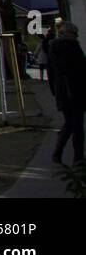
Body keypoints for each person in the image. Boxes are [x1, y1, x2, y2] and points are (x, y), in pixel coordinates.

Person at [49, 23, 86, 166]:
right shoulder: (71, 47)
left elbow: (52, 73)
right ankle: (78, 158)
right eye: (74, 34)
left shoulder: (55, 48)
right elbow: (79, 69)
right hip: (74, 92)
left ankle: (58, 154)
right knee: (76, 125)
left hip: (63, 93)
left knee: (70, 124)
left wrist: (55, 91)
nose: (76, 36)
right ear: (67, 34)